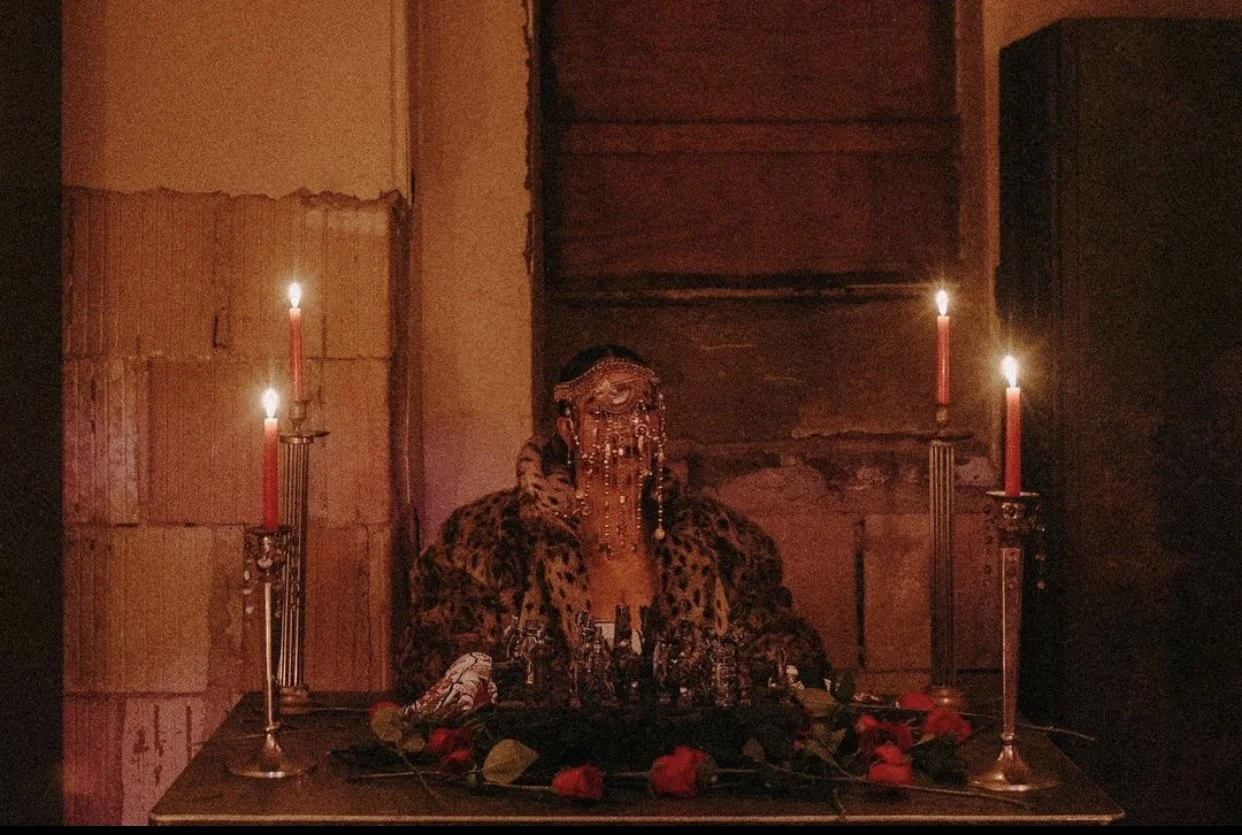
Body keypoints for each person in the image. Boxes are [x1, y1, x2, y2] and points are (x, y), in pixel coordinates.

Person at [395, 345, 829, 698]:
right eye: (604, 414)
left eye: (643, 411)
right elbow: (433, 659)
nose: (628, 430)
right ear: (569, 428)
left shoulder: (722, 540)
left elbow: (783, 649)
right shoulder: (488, 537)